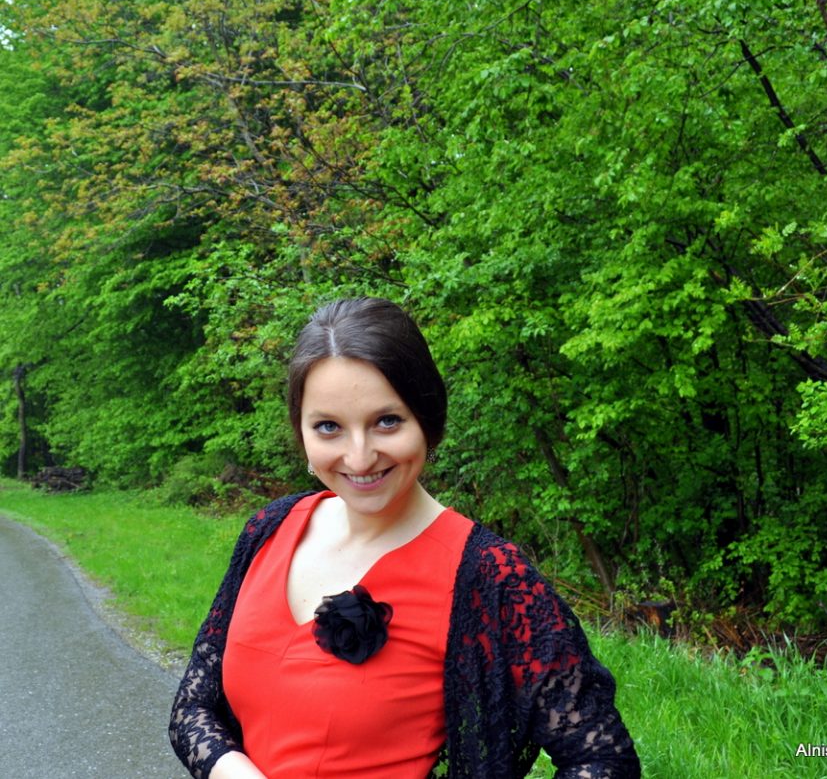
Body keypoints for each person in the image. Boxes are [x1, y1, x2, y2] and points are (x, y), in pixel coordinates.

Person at [169, 297, 640, 778]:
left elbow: (602, 761)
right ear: (302, 433)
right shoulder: (270, 529)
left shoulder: (489, 577)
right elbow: (193, 708)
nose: (359, 456)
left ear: (427, 421)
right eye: (328, 426)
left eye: (386, 421)